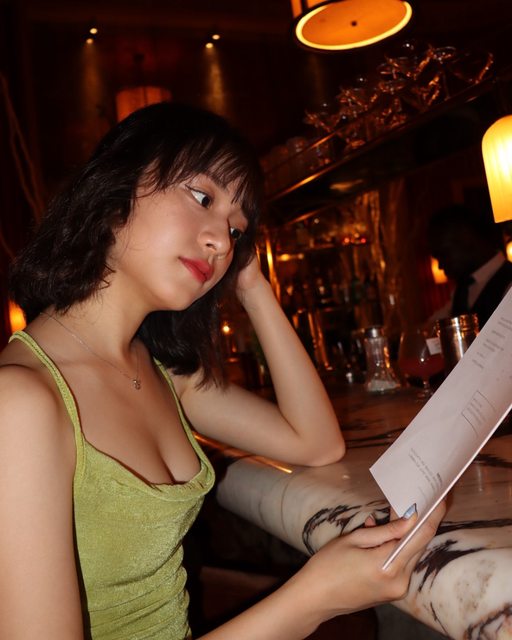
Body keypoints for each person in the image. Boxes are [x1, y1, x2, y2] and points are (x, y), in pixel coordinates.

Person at [0, 101, 445, 640]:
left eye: (237, 231)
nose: (219, 242)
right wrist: (315, 597)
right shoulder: (19, 402)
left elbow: (315, 442)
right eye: (202, 197)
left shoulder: (158, 371)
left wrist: (253, 286)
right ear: (114, 192)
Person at [427, 203, 512, 328]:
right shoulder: (463, 288)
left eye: (443, 254)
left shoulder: (508, 283)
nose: (440, 266)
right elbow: (431, 325)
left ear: (466, 237)